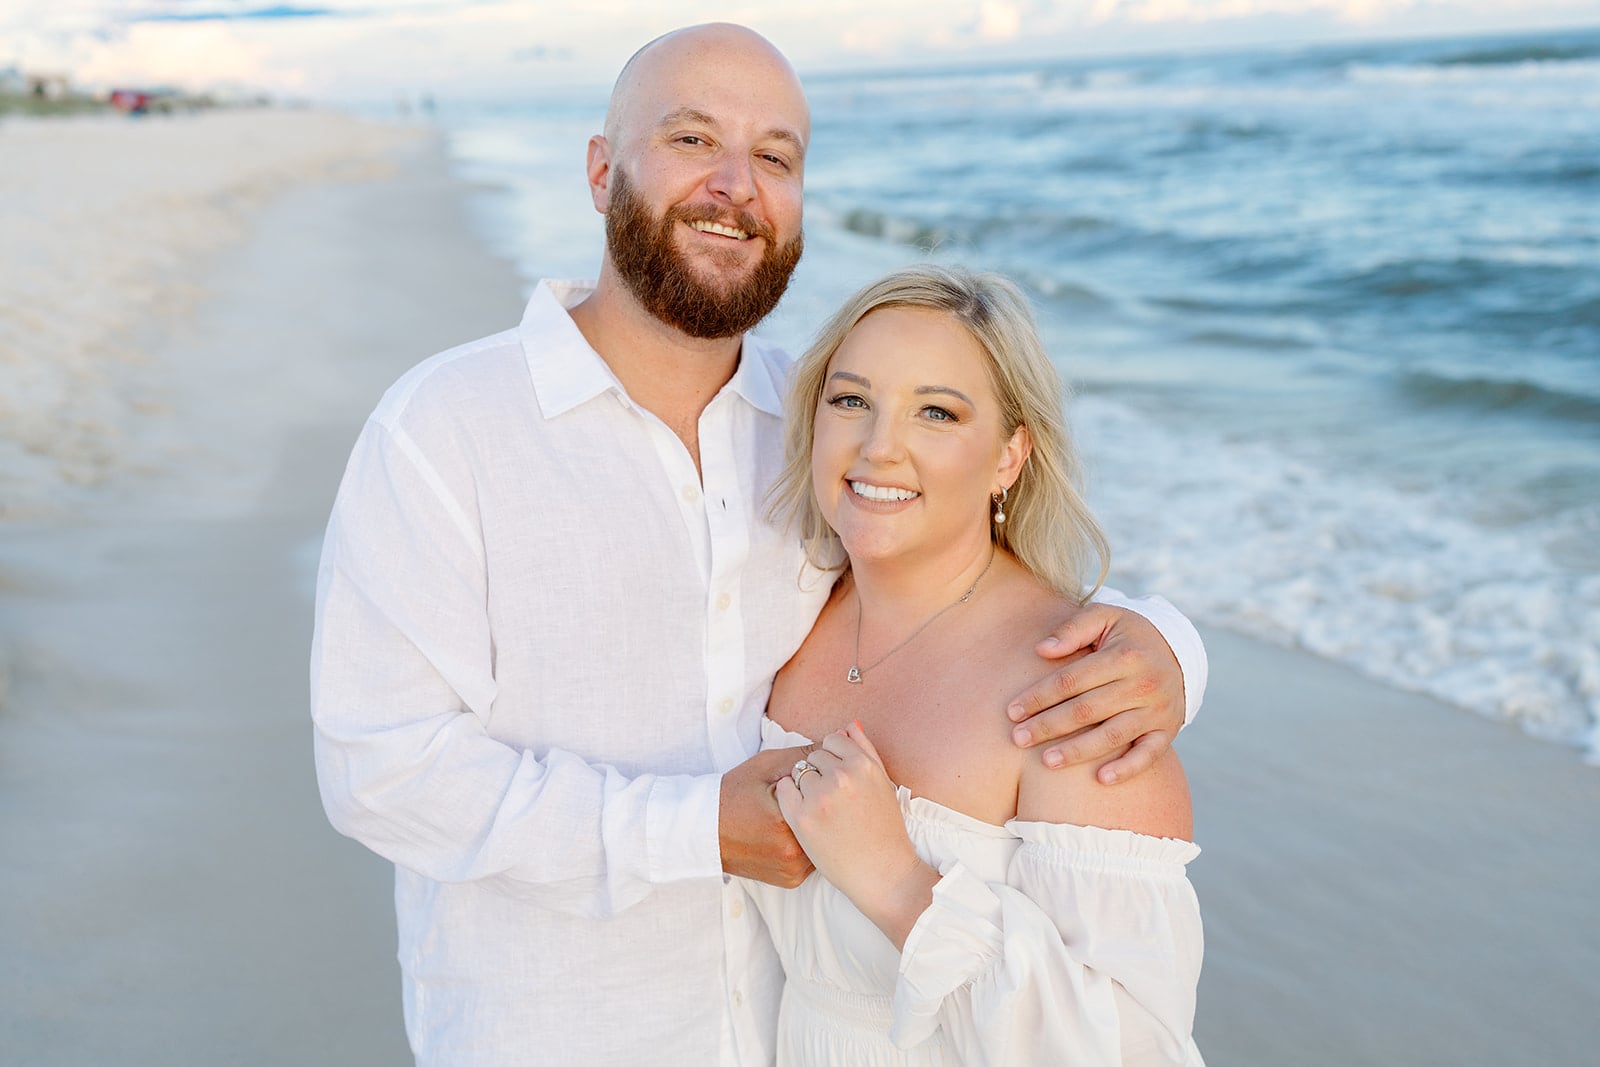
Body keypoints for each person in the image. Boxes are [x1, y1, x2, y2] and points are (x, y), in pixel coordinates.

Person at [310, 23, 1206, 1066]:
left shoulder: (816, 419)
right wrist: (692, 828)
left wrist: (1166, 648)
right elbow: (381, 769)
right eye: (692, 139)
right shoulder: (444, 430)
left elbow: (951, 578)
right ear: (602, 170)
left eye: (774, 157)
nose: (735, 184)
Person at [747, 264, 1203, 1065]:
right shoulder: (780, 614)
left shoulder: (1078, 700)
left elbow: (1134, 1050)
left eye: (937, 412)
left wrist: (899, 884)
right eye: (851, 400)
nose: (879, 447)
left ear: (1008, 455)